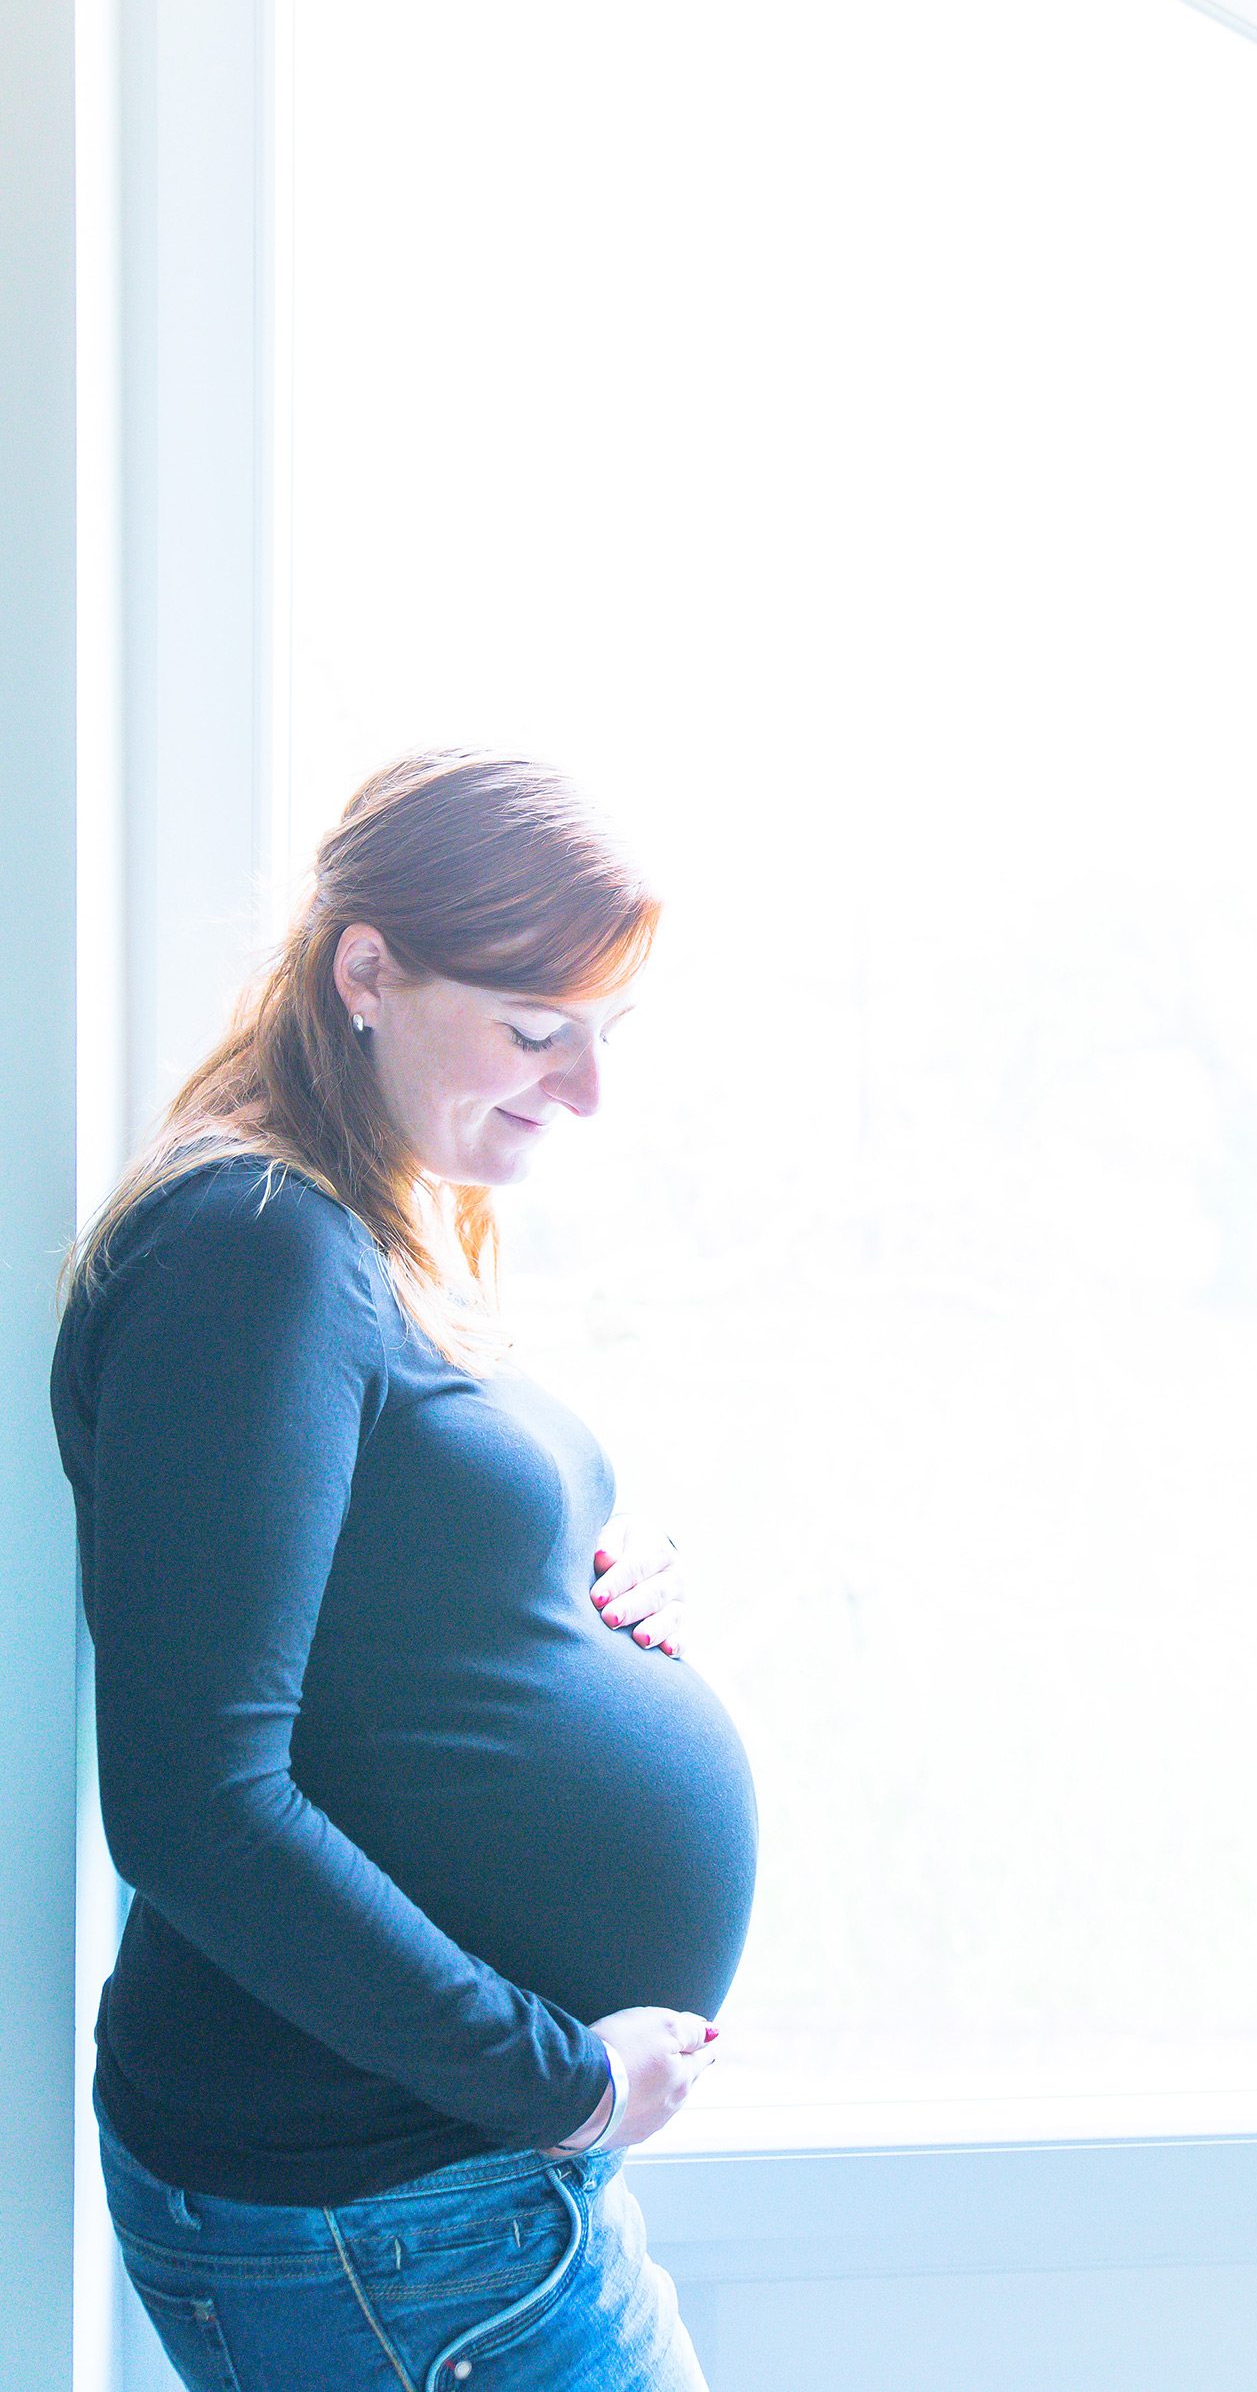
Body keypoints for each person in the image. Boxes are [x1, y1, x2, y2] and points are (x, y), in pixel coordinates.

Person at [51, 746, 759, 2391]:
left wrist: (573, 1572)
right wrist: (559, 2081)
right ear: (367, 969)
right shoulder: (254, 1250)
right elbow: (194, 1802)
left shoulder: (353, 1229)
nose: (584, 1091)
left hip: (429, 2200)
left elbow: (362, 1578)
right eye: (535, 1029)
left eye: (610, 1036)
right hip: (390, 2206)